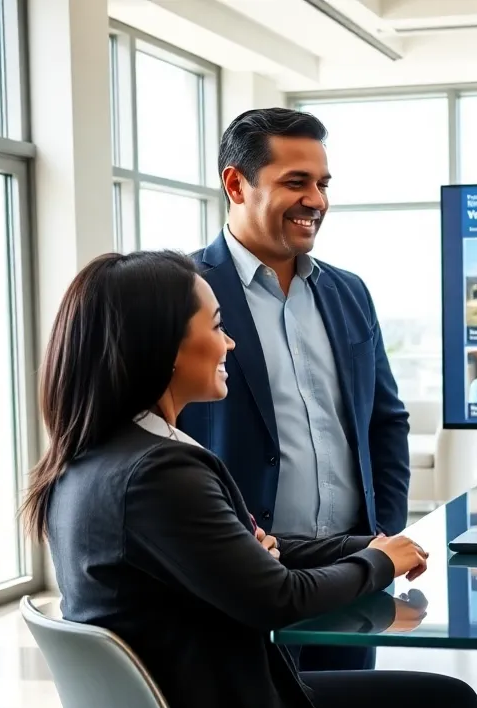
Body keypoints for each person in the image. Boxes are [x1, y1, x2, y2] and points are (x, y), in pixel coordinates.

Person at [26, 251, 477, 708]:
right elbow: (280, 598)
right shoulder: (160, 474)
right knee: (452, 707)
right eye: (217, 326)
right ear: (164, 347)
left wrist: (365, 546)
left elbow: (252, 556)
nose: (230, 343)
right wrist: (378, 563)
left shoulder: (95, 457)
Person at [178, 107, 407, 672]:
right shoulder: (182, 291)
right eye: (296, 182)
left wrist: (383, 534)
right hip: (246, 573)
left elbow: (384, 418)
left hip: (354, 567)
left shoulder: (349, 292)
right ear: (237, 184)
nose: (316, 201)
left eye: (323, 184)